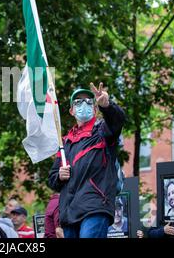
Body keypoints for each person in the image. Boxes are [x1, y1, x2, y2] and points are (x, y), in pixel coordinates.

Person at [48, 83, 126, 238]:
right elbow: (52, 179)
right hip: (69, 213)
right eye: (78, 102)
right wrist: (59, 176)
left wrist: (107, 106)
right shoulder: (65, 143)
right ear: (71, 110)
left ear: (95, 109)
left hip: (95, 206)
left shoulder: (102, 132)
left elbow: (117, 121)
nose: (83, 105)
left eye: (89, 102)